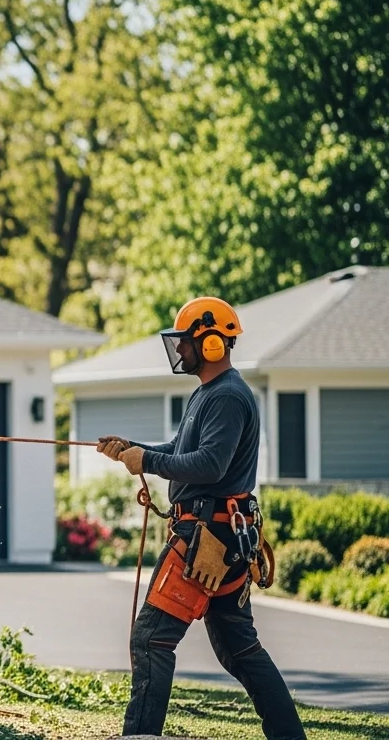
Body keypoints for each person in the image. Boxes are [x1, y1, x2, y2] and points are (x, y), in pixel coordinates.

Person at [98, 296, 305, 740]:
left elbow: (210, 465)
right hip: (222, 537)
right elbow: (181, 450)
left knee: (151, 639)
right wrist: (134, 450)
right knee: (239, 648)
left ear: (211, 343)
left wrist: (147, 462)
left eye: (186, 341)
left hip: (207, 538)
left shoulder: (228, 396)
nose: (180, 351)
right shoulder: (209, 394)